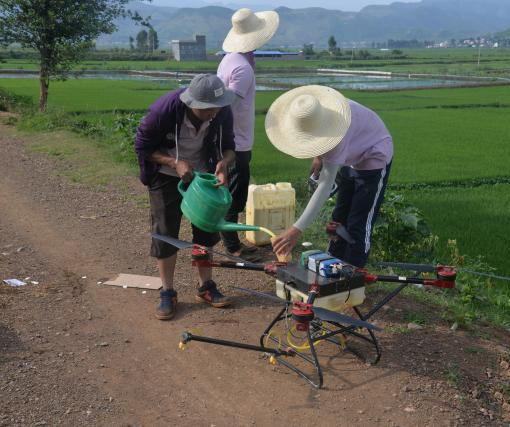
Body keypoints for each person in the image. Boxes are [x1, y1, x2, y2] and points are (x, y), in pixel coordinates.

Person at [134, 74, 236, 320]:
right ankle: (167, 291)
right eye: (206, 109)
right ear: (192, 104)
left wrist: (224, 163)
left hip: (204, 174)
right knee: (166, 232)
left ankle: (205, 286)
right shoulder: (164, 111)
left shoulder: (221, 110)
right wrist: (174, 162)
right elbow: (142, 146)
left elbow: (230, 146)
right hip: (166, 174)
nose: (213, 113)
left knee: (206, 229)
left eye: (216, 108)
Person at [267, 85, 393, 268]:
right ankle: (333, 262)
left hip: (374, 154)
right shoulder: (317, 114)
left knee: (358, 222)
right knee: (338, 217)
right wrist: (319, 156)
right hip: (352, 154)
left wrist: (296, 230)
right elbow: (319, 137)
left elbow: (325, 187)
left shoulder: (337, 132)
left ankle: (353, 274)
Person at [216, 8, 280, 261]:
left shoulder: (230, 59)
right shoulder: (243, 69)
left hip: (231, 137)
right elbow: (227, 104)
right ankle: (232, 246)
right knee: (235, 192)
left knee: (231, 190)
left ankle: (230, 239)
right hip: (237, 141)